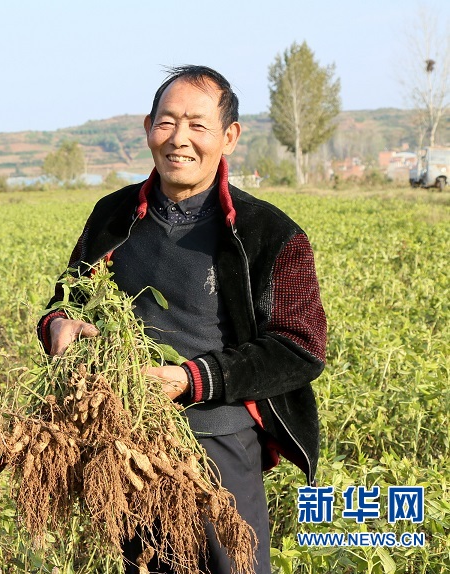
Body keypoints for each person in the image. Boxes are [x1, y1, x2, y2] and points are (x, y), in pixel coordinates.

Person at [36, 65, 327, 574]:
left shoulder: (268, 232)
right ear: (148, 127)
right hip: (127, 443)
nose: (180, 140)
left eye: (198, 125)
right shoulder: (114, 215)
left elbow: (299, 347)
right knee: (145, 565)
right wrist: (59, 324)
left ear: (229, 136)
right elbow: (67, 297)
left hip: (220, 439)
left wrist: (189, 378)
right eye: (167, 123)